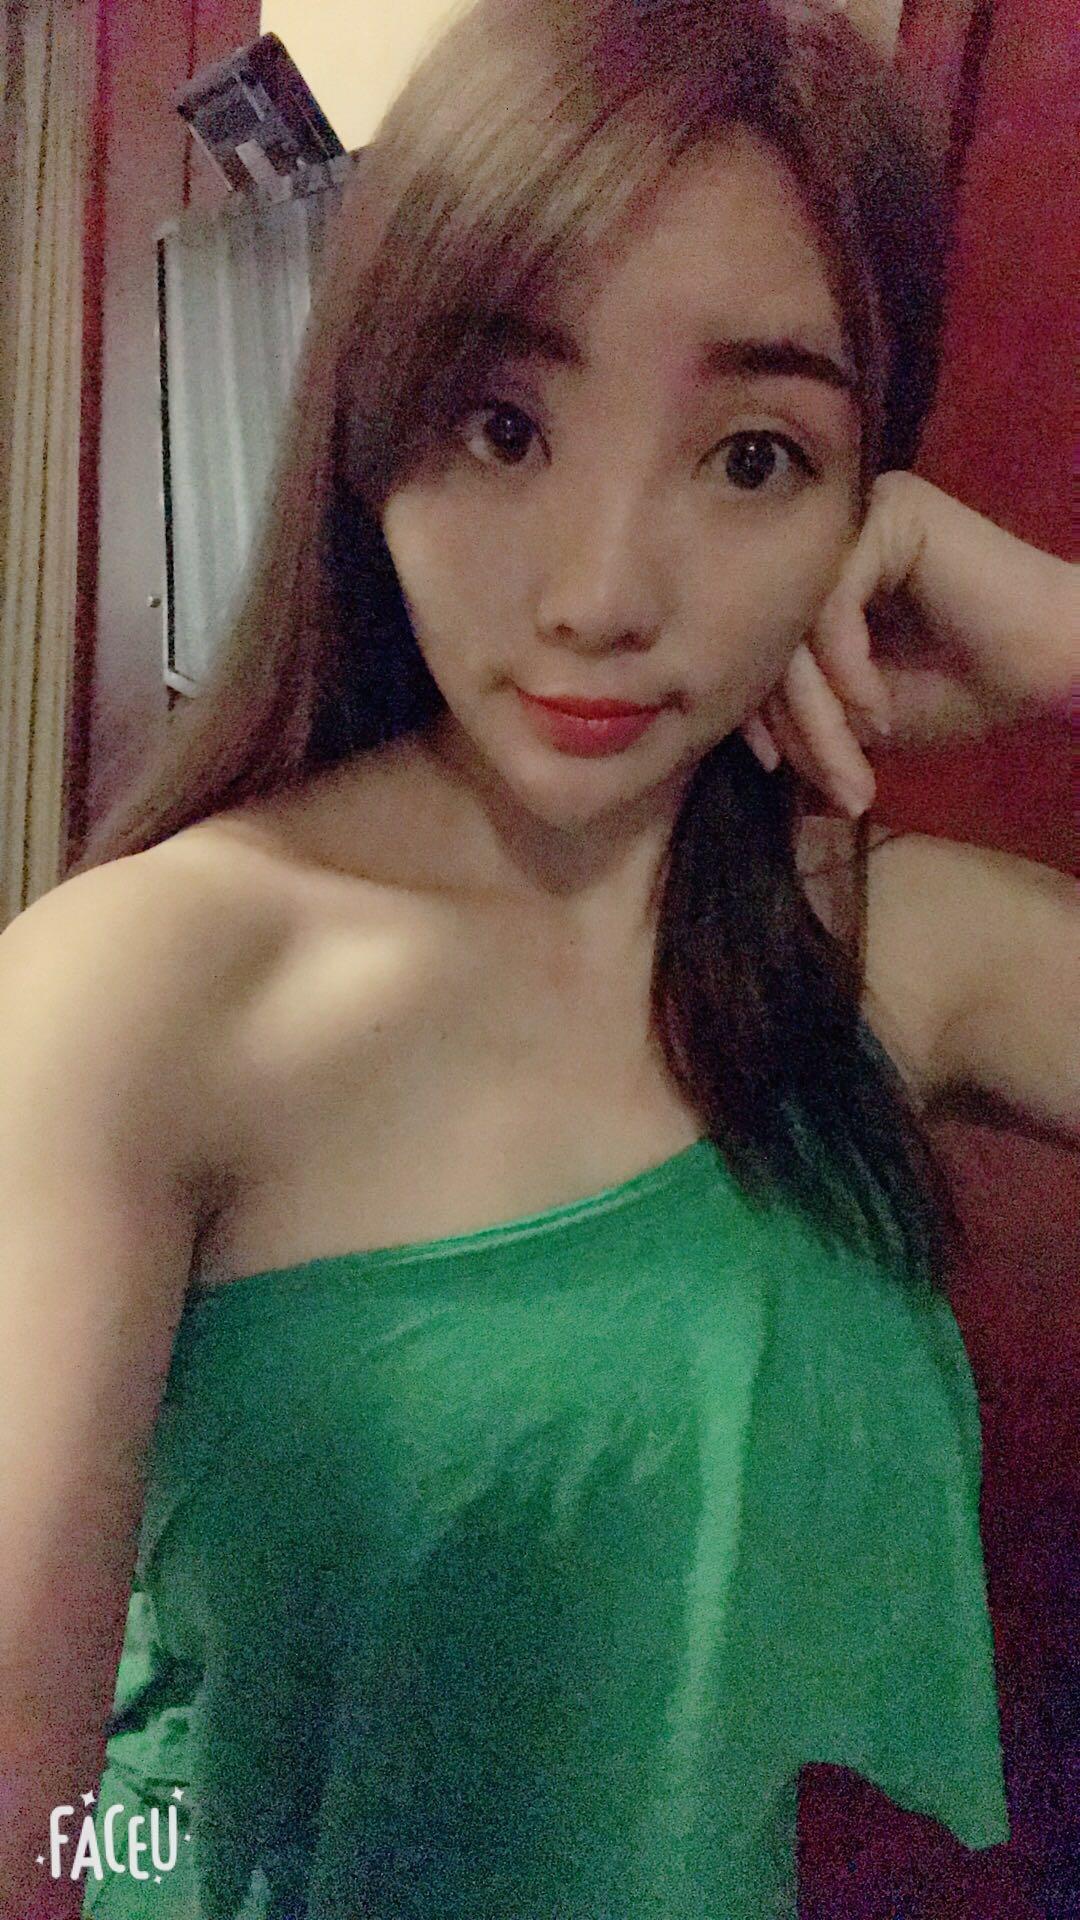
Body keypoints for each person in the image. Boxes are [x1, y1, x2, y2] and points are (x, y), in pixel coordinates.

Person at [1, 1, 1076, 1915]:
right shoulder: (145, 991)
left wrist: (1071, 638)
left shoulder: (883, 950)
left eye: (754, 458)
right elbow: (28, 1840)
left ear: (863, 504)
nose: (601, 594)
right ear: (372, 426)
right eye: (504, 427)